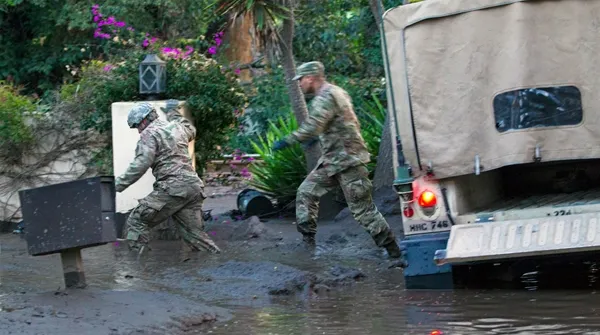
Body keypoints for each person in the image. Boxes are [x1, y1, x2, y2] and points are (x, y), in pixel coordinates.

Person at [272, 61, 401, 258]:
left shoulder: (325, 97)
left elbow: (313, 126)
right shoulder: (336, 92)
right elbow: (343, 122)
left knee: (363, 210)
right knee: (306, 192)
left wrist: (288, 140)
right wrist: (319, 137)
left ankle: (393, 251)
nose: (299, 84)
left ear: (310, 78)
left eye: (301, 80)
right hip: (332, 161)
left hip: (348, 161)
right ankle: (308, 244)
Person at [115, 100, 221, 256]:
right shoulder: (177, 127)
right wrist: (172, 111)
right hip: (193, 188)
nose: (138, 130)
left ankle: (140, 272)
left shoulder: (149, 134)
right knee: (195, 237)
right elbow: (190, 129)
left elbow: (141, 164)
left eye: (137, 125)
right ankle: (217, 263)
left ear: (144, 120)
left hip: (173, 188)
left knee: (136, 222)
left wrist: (117, 185)